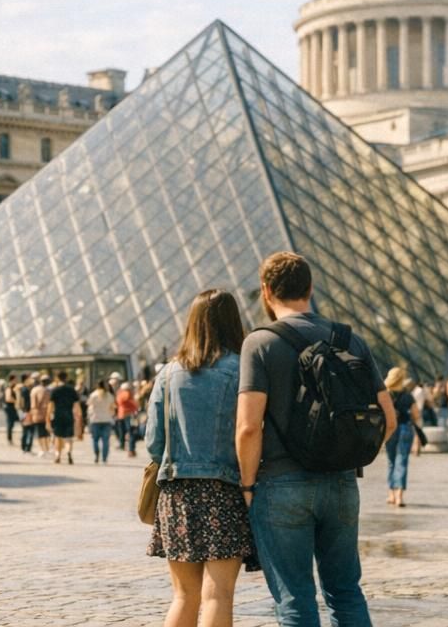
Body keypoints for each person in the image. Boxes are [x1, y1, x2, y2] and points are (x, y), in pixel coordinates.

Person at [237, 252, 396, 627]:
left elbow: (248, 427)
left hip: (281, 484)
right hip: (341, 484)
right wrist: (347, 455)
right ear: (310, 288)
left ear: (266, 290)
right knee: (346, 593)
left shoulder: (260, 343)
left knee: (295, 599)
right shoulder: (350, 340)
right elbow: (388, 419)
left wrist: (247, 486)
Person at [146, 290, 254, 627]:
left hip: (176, 494)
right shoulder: (242, 371)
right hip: (224, 492)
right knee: (218, 594)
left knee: (183, 595)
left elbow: (153, 443)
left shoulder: (168, 373)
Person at [383, 367, 421, 508]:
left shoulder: (385, 394)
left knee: (391, 461)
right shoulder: (407, 395)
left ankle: (391, 494)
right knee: (402, 461)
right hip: (405, 428)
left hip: (390, 428)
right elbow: (416, 414)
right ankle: (399, 496)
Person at [47, 369, 83, 465]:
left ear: (57, 378)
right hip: (69, 415)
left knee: (58, 436)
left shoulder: (55, 390)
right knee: (69, 437)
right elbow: (77, 406)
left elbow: (50, 406)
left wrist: (48, 418)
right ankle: (68, 452)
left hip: (58, 415)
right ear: (66, 378)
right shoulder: (72, 390)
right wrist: (79, 418)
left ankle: (58, 455)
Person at [88, 377, 117, 463]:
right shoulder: (109, 395)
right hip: (107, 419)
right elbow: (113, 408)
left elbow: (90, 407)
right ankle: (104, 458)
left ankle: (97, 454)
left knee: (95, 439)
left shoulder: (93, 395)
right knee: (105, 440)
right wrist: (111, 415)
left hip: (95, 419)